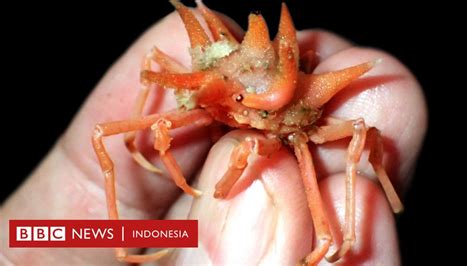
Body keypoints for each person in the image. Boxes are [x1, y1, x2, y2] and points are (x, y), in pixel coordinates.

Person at [0, 10, 427, 265]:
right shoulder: (216, 96)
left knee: (336, 208)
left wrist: (349, 232)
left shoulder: (287, 112)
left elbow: (357, 138)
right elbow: (35, 234)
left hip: (289, 132)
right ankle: (121, 246)